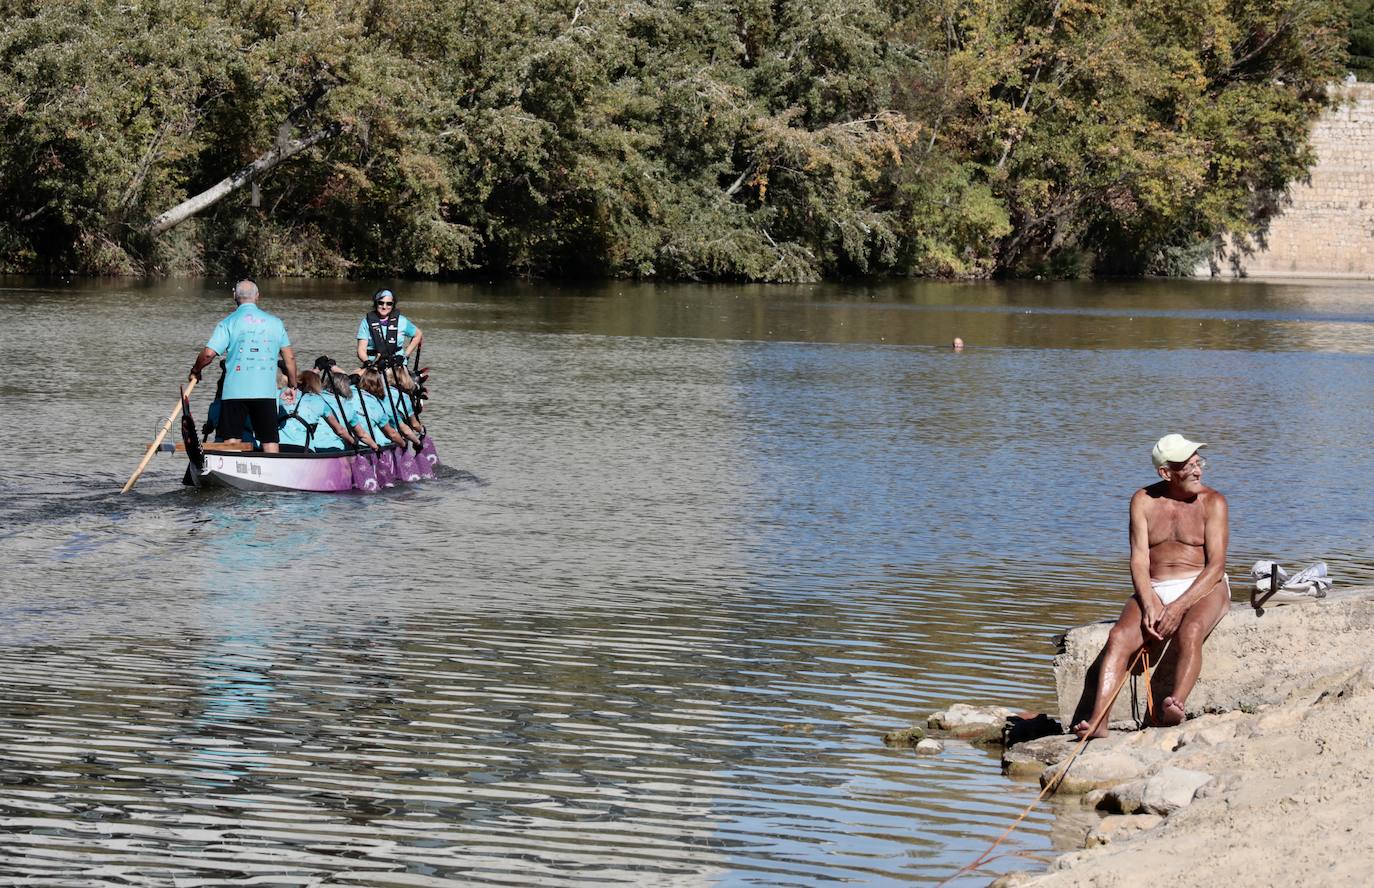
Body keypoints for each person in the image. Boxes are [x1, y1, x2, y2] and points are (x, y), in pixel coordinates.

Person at [1073, 434, 1231, 739]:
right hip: (1156, 586)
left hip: (1203, 585)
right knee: (1119, 636)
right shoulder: (1143, 501)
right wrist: (1149, 602)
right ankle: (1099, 722)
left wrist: (1178, 607)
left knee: (1191, 629)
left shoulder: (1214, 502)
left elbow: (1216, 568)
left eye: (1200, 463)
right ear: (1166, 472)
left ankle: (1176, 703)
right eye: (1190, 466)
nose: (1199, 471)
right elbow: (1139, 560)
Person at [189, 280, 296, 453]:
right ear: (258, 297)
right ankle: (272, 472)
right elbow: (289, 357)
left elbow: (208, 354)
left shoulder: (228, 322)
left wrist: (196, 370)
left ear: (234, 297)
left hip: (234, 393)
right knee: (269, 440)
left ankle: (232, 472)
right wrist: (292, 384)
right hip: (265, 392)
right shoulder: (275, 323)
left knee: (231, 440)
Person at [277, 369, 360, 453]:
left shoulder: (283, 392)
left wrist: (316, 369)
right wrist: (353, 442)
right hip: (303, 448)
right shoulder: (320, 401)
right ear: (317, 384)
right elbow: (339, 430)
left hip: (278, 445)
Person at [358, 367, 422, 449]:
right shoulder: (398, 399)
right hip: (384, 439)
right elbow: (414, 424)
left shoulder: (357, 396)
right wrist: (421, 433)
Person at [356, 288, 422, 367]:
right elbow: (361, 349)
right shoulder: (366, 322)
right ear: (375, 303)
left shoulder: (402, 321)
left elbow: (418, 334)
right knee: (353, 378)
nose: (384, 306)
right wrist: (367, 362)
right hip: (373, 364)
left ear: (393, 304)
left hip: (397, 365)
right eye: (381, 303)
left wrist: (405, 355)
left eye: (389, 304)